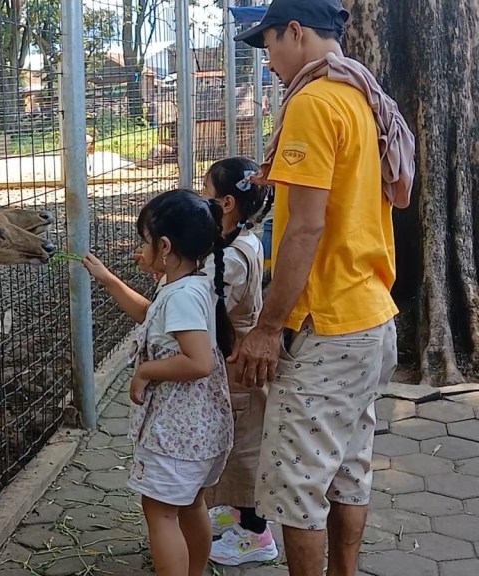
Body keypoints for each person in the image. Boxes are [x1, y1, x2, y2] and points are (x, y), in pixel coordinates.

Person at [231, 1, 414, 575]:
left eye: (269, 47)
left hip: (325, 326)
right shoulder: (362, 93)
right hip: (371, 317)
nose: (268, 63)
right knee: (349, 469)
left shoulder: (313, 101)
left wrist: (266, 328)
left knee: (298, 487)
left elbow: (305, 226)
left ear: (296, 31)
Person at [83, 188, 235, 576]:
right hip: (201, 430)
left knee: (162, 516)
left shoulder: (179, 297)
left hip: (176, 432)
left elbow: (198, 361)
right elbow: (153, 316)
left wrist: (145, 371)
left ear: (164, 246)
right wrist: (110, 280)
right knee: (191, 505)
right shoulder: (192, 284)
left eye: (147, 242)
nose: (143, 248)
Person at [194, 158, 277, 566]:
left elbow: (205, 306)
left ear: (226, 202)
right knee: (233, 445)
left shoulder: (233, 257)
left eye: (205, 190)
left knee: (244, 451)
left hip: (237, 365)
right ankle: (236, 510)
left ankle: (256, 535)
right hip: (234, 362)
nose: (201, 196)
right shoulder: (242, 240)